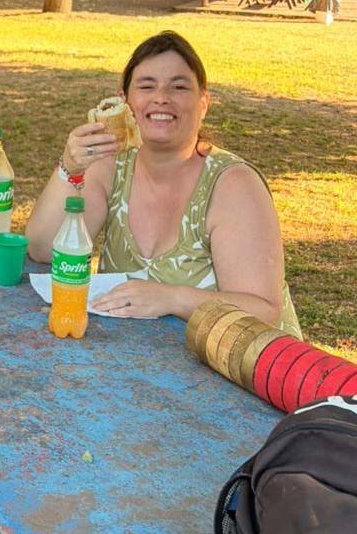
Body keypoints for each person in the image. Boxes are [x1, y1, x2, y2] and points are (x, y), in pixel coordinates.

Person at [25, 31, 301, 336]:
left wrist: (172, 298)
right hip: (133, 354)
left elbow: (263, 312)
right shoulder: (111, 167)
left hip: (239, 360)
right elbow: (43, 249)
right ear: (125, 102)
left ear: (203, 103)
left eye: (179, 87)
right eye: (146, 86)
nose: (161, 98)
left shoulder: (233, 184)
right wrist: (70, 168)